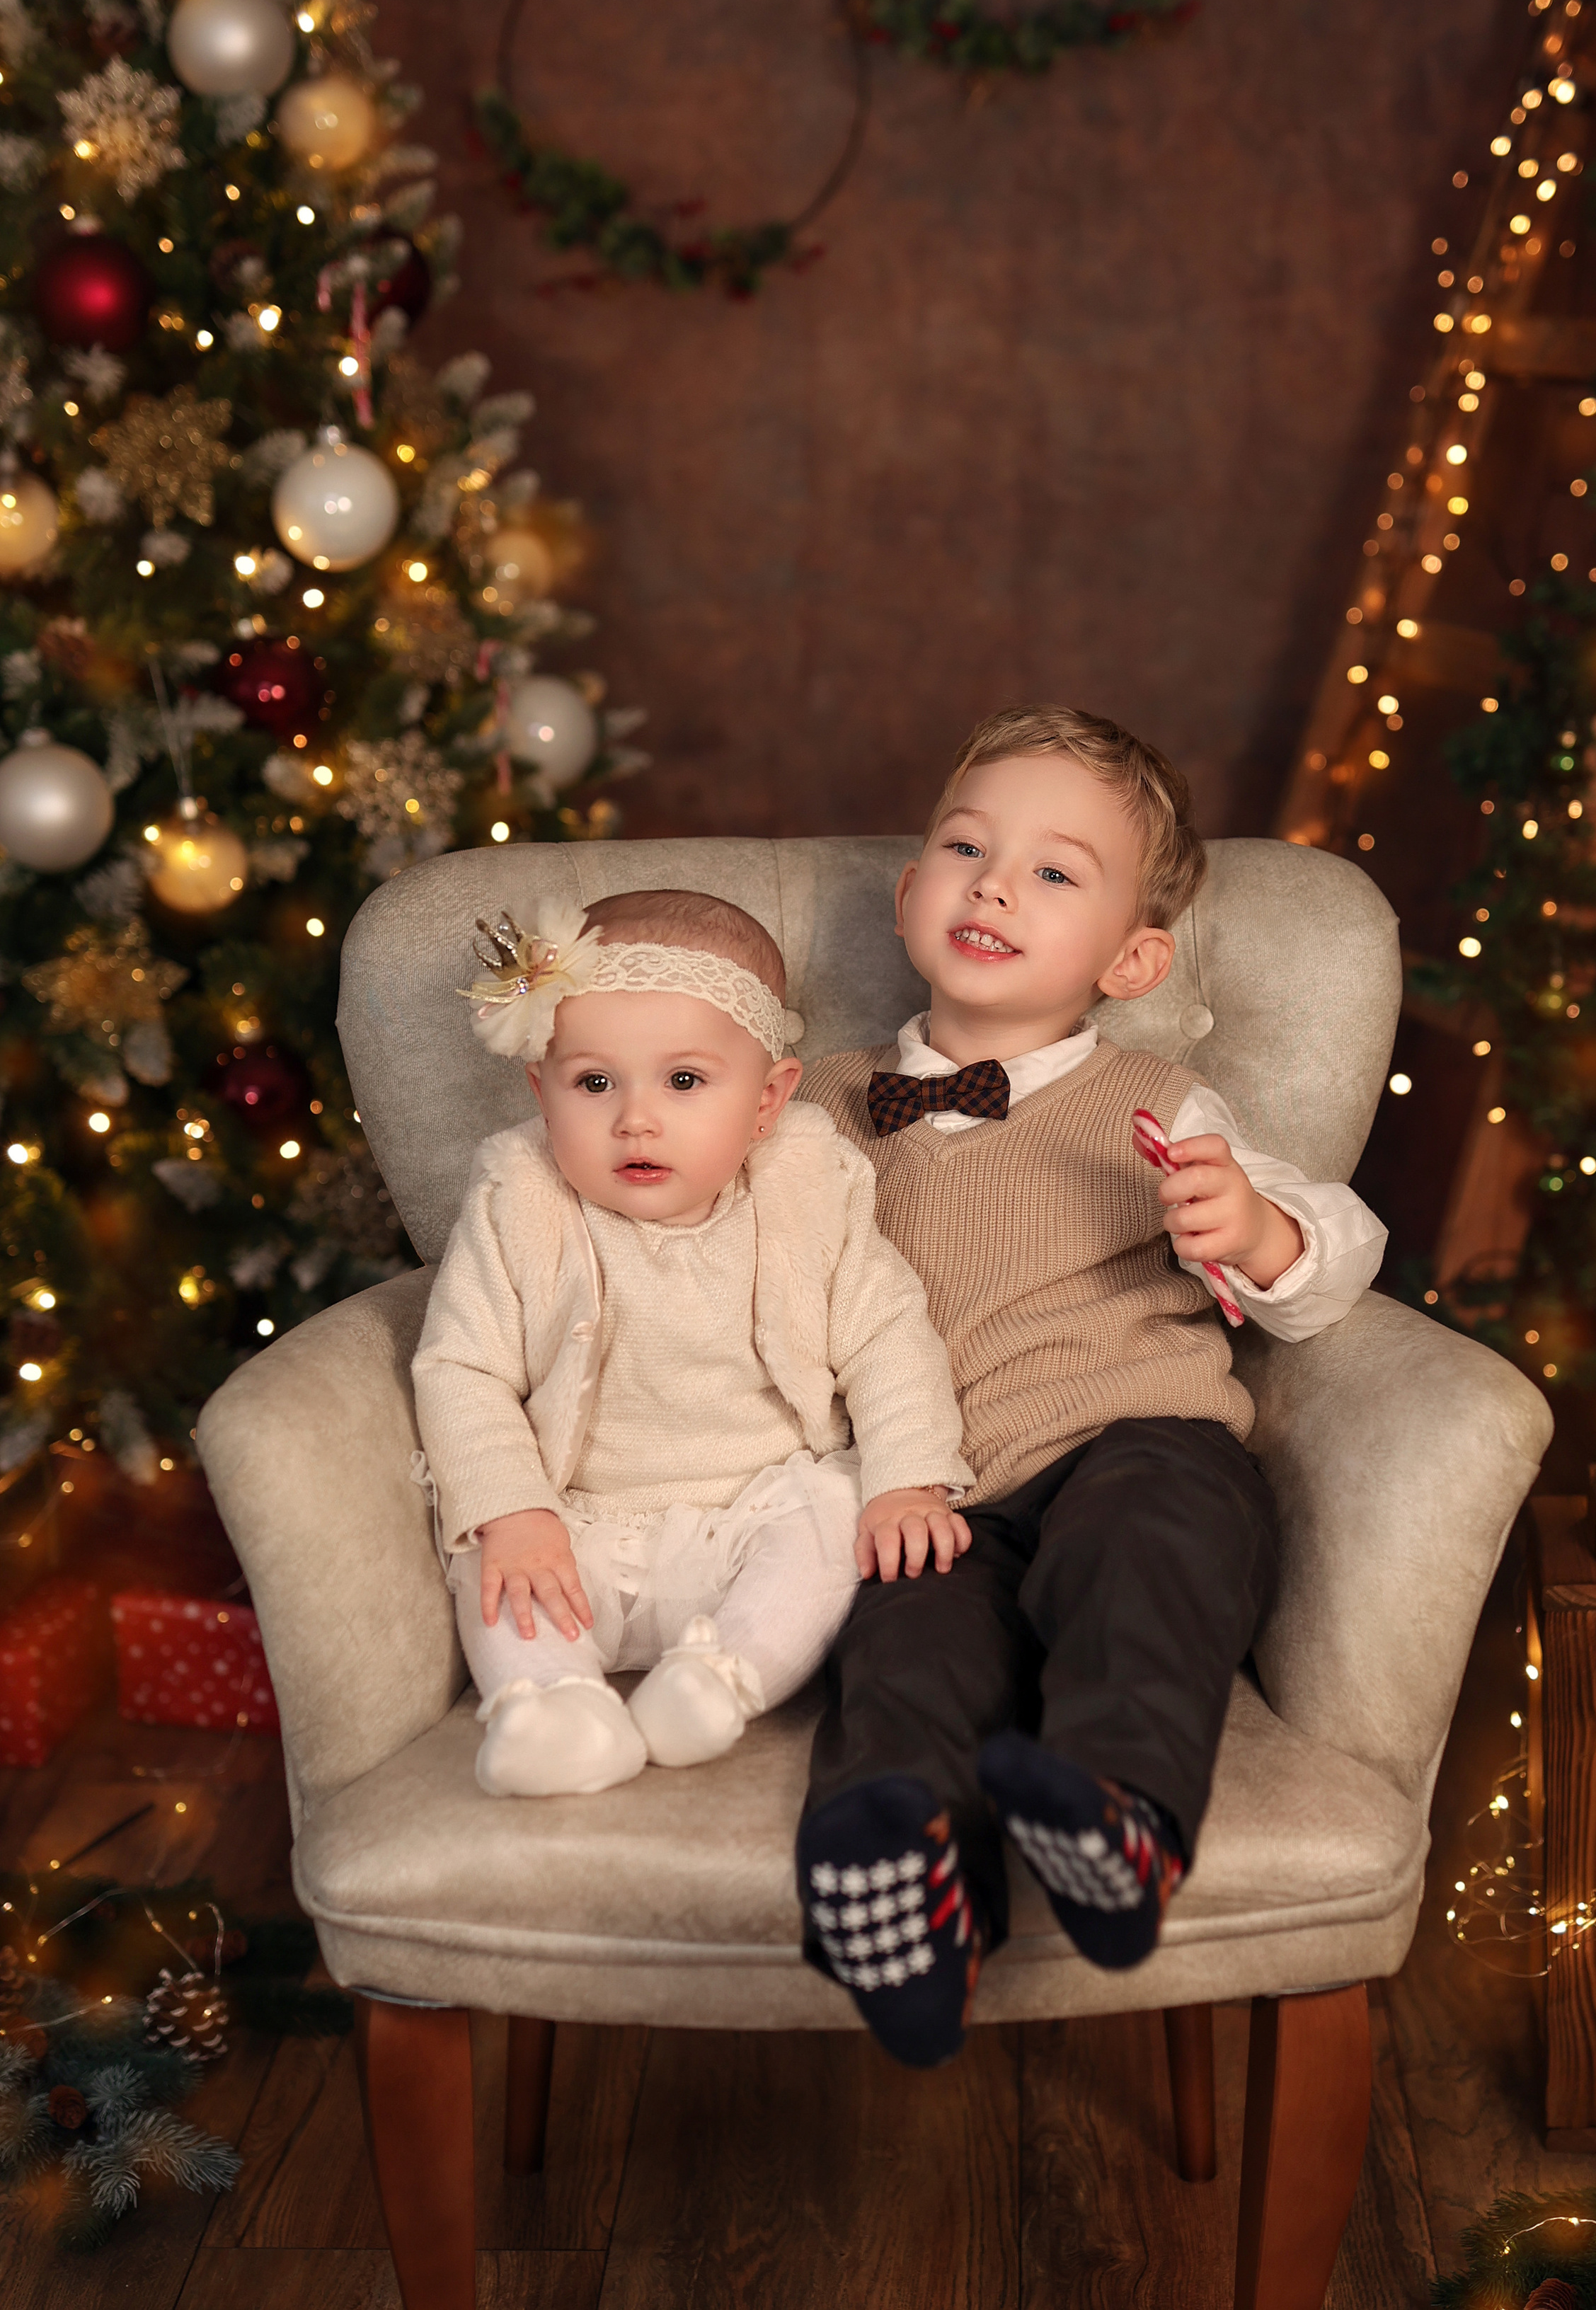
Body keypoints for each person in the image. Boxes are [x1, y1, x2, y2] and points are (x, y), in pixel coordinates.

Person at [794, 707, 1387, 2065]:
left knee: (1146, 1552)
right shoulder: (812, 1106)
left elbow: (1338, 1247)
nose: (995, 884)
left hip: (1133, 1441)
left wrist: (1253, 1231)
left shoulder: (1161, 1102)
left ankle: (1117, 1815)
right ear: (908, 898)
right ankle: (907, 1889)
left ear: (1133, 957)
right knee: (905, 1649)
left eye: (1056, 871)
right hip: (927, 1495)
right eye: (965, 849)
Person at [413, 887, 971, 1800]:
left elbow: (887, 1336)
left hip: (752, 1514)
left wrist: (909, 1478)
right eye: (594, 1083)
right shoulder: (519, 1199)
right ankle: (549, 1705)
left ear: (767, 1101)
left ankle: (720, 1683)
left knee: (837, 1512)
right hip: (577, 1525)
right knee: (483, 1542)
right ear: (539, 1090)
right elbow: (461, 1368)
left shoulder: (808, 1187)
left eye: (684, 1082)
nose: (635, 1119)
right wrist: (514, 1509)